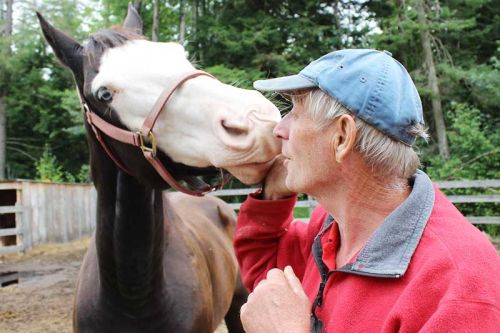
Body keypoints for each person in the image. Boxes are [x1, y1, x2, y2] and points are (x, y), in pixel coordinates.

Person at [235, 49, 500, 333]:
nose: (279, 129)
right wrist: (275, 193)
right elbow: (267, 274)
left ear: (342, 137)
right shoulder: (330, 230)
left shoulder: (460, 287)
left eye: (296, 113)